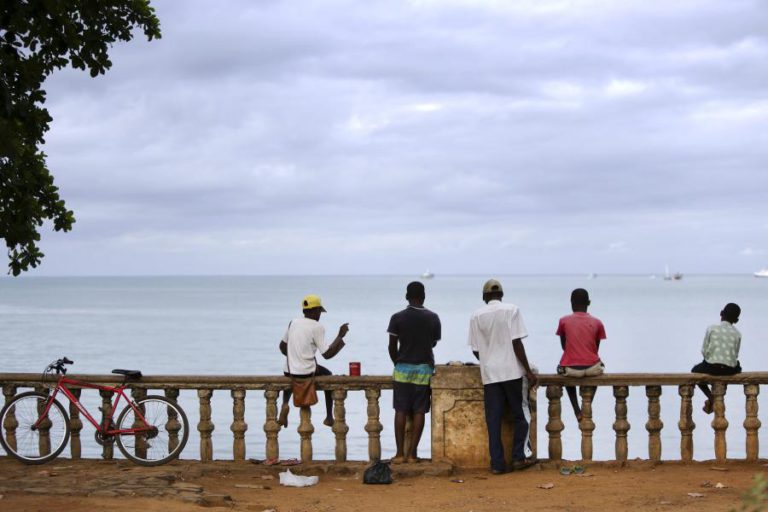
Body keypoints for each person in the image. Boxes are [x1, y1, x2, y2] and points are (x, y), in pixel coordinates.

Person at [468, 279, 537, 474]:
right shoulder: (512, 310)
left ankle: (497, 464)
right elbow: (517, 343)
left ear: (484, 297)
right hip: (512, 373)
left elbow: (476, 350)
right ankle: (518, 457)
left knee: (493, 421)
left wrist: (489, 360)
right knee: (521, 415)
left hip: (490, 375)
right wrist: (529, 372)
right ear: (501, 295)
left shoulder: (476, 316)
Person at [387, 281, 441, 464]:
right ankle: (412, 454)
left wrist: (398, 362)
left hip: (402, 368)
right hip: (424, 369)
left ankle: (399, 454)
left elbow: (391, 346)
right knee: (419, 411)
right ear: (424, 296)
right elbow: (433, 342)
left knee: (400, 410)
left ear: (406, 297)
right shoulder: (433, 318)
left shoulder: (397, 318)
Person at [278, 294, 349, 428]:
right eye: (319, 311)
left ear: (304, 311)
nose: (320, 315)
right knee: (328, 376)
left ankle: (285, 404)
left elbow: (282, 347)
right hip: (306, 372)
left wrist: (295, 355)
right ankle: (329, 417)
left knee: (290, 375)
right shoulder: (317, 327)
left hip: (289, 371)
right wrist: (340, 335)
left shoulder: (293, 322)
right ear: (315, 310)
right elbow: (327, 354)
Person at [556, 288, 607, 422]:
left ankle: (576, 410)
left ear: (571, 303)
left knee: (563, 372)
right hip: (592, 369)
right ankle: (588, 403)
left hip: (570, 370)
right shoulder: (598, 322)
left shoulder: (563, 321)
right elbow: (595, 349)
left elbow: (564, 347)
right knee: (599, 366)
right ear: (589, 303)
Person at [691, 303, 742, 414]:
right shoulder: (738, 334)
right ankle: (716, 397)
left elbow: (704, 351)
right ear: (736, 320)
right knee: (736, 365)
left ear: (721, 313)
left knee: (694, 371)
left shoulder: (712, 329)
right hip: (728, 369)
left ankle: (711, 397)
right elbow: (735, 355)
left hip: (712, 367)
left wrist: (711, 359)